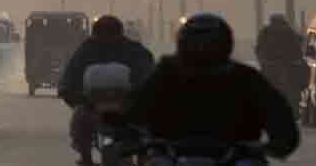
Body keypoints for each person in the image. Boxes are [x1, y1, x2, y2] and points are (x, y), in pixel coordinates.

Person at [123, 13, 300, 162]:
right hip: (174, 156)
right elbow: (133, 108)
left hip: (234, 158)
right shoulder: (165, 74)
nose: (202, 50)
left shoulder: (245, 77)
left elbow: (279, 116)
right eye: (197, 45)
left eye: (208, 45)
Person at [58, 14, 155, 166]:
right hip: (93, 106)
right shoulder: (86, 49)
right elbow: (70, 76)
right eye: (103, 33)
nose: (107, 38)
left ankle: (144, 156)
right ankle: (86, 158)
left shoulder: (134, 50)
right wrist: (71, 93)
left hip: (127, 105)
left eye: (110, 33)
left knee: (146, 127)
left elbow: (148, 73)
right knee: (80, 119)